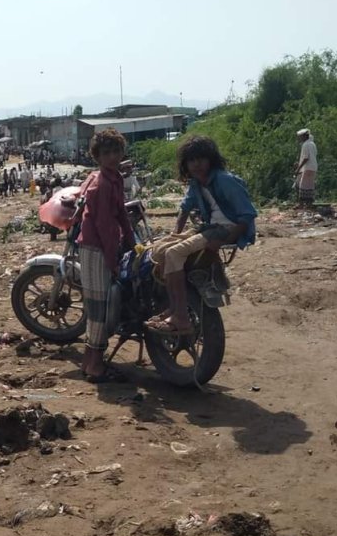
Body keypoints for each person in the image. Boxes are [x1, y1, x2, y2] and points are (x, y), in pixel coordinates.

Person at [147, 135, 256, 337]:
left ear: (210, 159)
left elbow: (248, 215)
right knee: (159, 250)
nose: (196, 164)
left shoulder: (224, 180)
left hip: (224, 230)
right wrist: (175, 233)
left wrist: (223, 240)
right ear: (185, 164)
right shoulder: (197, 183)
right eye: (191, 160)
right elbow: (185, 208)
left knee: (173, 254)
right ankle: (173, 306)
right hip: (209, 227)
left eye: (201, 159)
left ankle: (180, 316)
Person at [76, 128, 136, 382]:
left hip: (106, 245)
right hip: (94, 248)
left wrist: (132, 240)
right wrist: (112, 261)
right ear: (97, 157)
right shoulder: (101, 184)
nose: (112, 157)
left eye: (116, 151)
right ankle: (94, 366)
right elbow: (102, 226)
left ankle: (90, 362)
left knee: (100, 307)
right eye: (106, 153)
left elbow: (121, 212)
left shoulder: (115, 178)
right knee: (98, 309)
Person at [294, 128, 318, 206]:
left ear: (304, 136)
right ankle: (309, 202)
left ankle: (301, 203)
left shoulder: (305, 145)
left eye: (300, 137)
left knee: (302, 185)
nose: (299, 138)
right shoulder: (312, 144)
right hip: (313, 167)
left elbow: (306, 158)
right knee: (310, 185)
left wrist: (298, 168)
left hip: (308, 167)